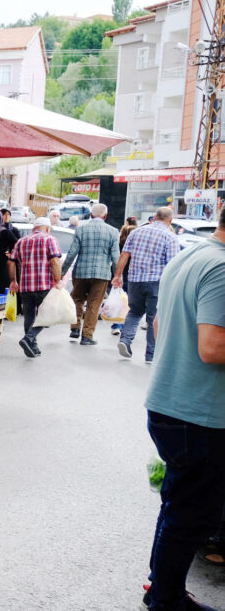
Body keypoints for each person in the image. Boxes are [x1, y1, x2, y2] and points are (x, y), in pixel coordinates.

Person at [139, 207, 225, 611]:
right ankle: (167, 599)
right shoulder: (222, 267)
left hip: (171, 403)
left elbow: (158, 324)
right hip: (200, 413)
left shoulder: (190, 255)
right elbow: (212, 347)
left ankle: (160, 587)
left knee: (178, 503)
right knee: (191, 514)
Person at [112, 207, 180, 364]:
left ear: (154, 217)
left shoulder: (136, 232)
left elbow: (124, 255)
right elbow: (172, 265)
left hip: (135, 280)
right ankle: (151, 355)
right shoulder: (170, 237)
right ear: (170, 220)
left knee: (134, 312)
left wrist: (117, 275)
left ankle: (126, 340)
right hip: (157, 282)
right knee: (153, 318)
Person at [62, 203, 119, 346]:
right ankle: (87, 336)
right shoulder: (112, 231)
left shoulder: (81, 229)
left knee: (77, 299)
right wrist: (118, 276)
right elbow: (115, 257)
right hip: (102, 274)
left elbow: (72, 253)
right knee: (94, 304)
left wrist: (62, 271)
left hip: (81, 272)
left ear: (91, 215)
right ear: (105, 216)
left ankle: (75, 328)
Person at [9, 218, 63, 358]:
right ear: (47, 228)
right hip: (44, 285)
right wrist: (58, 280)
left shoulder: (21, 241)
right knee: (48, 315)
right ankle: (29, 338)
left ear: (34, 228)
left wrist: (13, 281)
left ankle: (32, 346)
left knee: (29, 316)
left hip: (26, 286)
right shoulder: (50, 239)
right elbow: (55, 261)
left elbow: (11, 262)